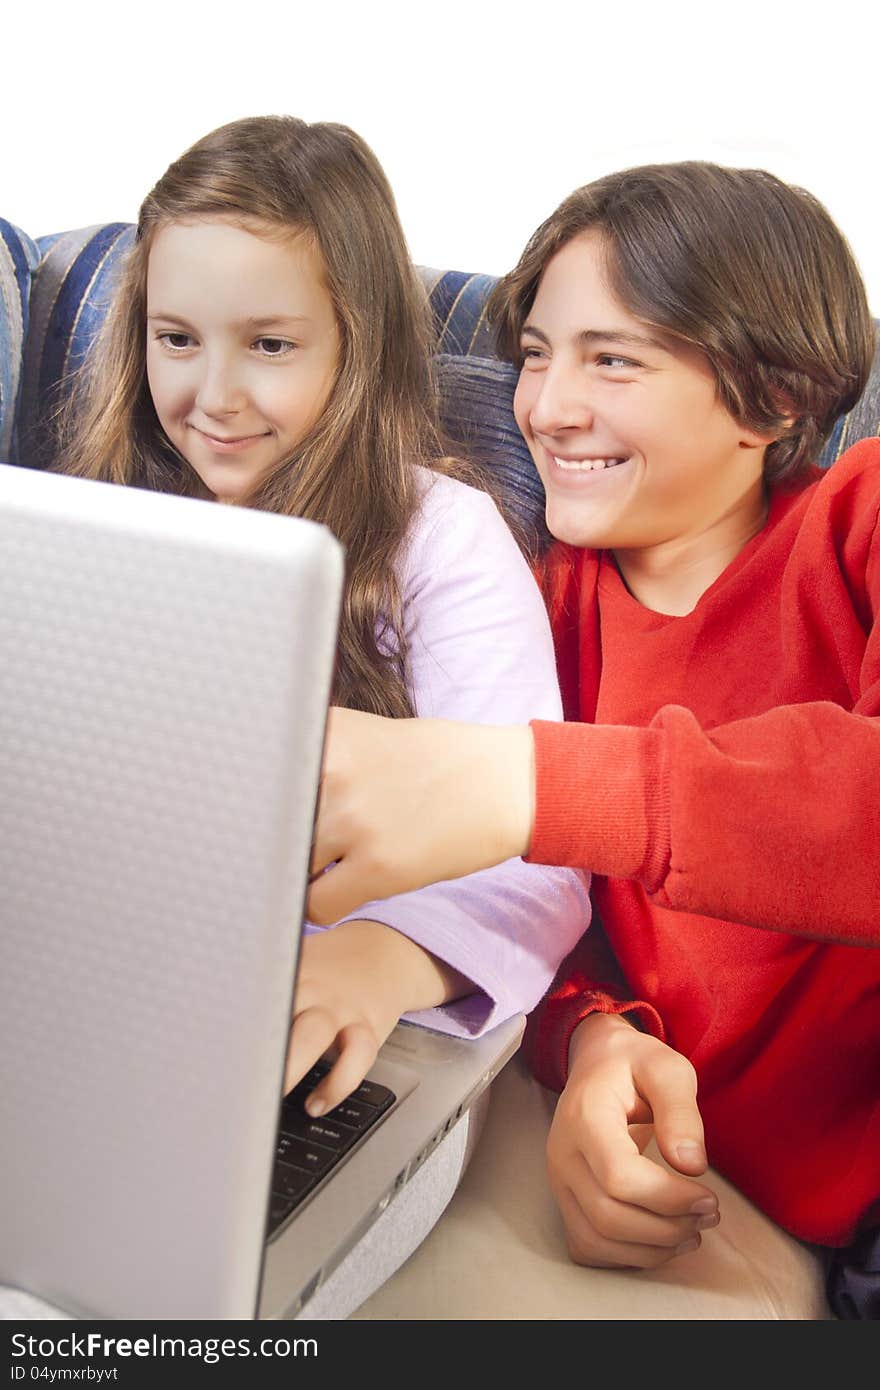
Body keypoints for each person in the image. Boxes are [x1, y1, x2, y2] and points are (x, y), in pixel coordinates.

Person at [306, 162, 880, 1319]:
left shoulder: (855, 516)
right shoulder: (533, 608)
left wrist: (530, 780)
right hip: (688, 1182)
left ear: (774, 397)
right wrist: (593, 1042)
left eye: (612, 359)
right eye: (533, 353)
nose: (547, 407)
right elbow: (538, 907)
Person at [54, 115, 589, 1316]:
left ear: (359, 344)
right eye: (176, 339)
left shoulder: (443, 544)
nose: (214, 395)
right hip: (127, 1005)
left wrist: (379, 956)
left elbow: (539, 851)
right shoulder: (103, 517)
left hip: (349, 1039)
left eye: (272, 345)